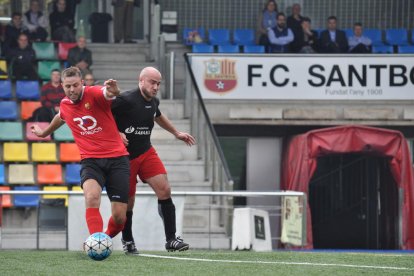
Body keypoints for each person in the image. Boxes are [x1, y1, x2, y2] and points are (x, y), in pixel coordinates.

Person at [31, 66, 130, 240]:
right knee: (91, 197)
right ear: (62, 86)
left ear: (82, 83)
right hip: (90, 160)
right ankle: (96, 240)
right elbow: (61, 116)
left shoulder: (94, 93)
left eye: (75, 85)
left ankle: (102, 240)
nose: (72, 90)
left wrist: (114, 91)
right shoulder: (64, 104)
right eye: (67, 86)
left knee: (120, 217)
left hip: (117, 159)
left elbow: (107, 93)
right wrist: (44, 133)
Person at [111, 67, 196, 254]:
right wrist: (116, 133)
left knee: (164, 189)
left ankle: (171, 239)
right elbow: (103, 114)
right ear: (141, 81)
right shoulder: (125, 99)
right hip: (125, 157)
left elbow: (157, 115)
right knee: (129, 202)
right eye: (152, 82)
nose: (156, 86)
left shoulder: (153, 101)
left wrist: (176, 133)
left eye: (158, 83)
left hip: (146, 151)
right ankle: (128, 240)